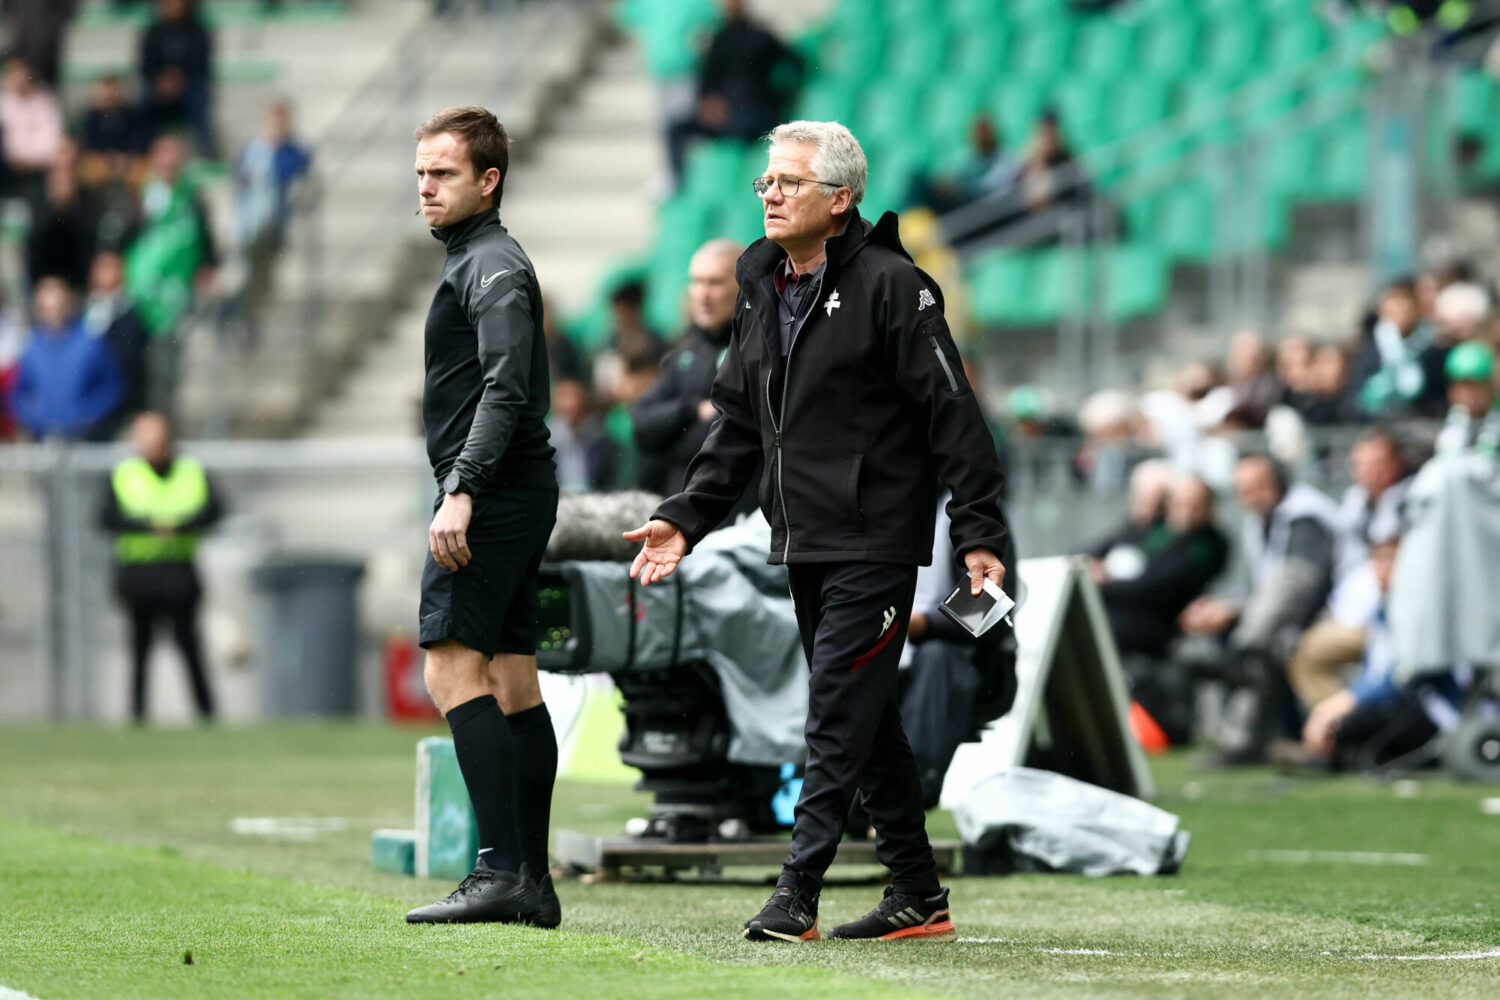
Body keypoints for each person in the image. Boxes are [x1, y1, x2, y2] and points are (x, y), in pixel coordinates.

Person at [625, 120, 1007, 942]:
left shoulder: (895, 287)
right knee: (866, 719)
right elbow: (735, 425)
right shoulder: (763, 283)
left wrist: (979, 534)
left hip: (876, 540)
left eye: (787, 182)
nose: (768, 192)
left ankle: (797, 892)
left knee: (833, 712)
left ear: (839, 201)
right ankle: (918, 892)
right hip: (800, 541)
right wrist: (682, 519)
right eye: (765, 180)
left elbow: (955, 417)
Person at [403, 106, 561, 929]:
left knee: (450, 670)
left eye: (444, 174)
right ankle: (530, 882)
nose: (426, 187)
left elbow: (507, 386)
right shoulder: (478, 258)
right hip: (515, 485)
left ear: (488, 180)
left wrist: (461, 486)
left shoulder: (492, 264)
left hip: (493, 489)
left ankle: (500, 870)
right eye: (422, 173)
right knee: (510, 679)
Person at [1181, 453, 1339, 763]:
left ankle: (1235, 661)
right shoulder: (1260, 521)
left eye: (1258, 486)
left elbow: (1300, 584)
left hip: (1333, 610)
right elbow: (1261, 588)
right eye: (1243, 490)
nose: (1251, 497)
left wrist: (1241, 621)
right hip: (1288, 618)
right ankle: (1241, 738)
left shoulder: (1305, 514)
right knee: (1256, 645)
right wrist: (1225, 609)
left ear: (1279, 482)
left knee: (1256, 647)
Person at [98, 411, 222, 722]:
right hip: (138, 572)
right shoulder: (124, 473)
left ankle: (207, 716)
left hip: (179, 570)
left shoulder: (190, 470)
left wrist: (177, 526)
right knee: (139, 651)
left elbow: (213, 510)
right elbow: (107, 517)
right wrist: (149, 526)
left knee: (190, 647)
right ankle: (138, 716)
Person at [632, 237, 762, 514]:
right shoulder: (684, 354)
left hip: (737, 518)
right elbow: (642, 425)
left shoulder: (759, 351)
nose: (703, 294)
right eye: (696, 282)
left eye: (714, 283)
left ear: (743, 286)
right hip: (681, 519)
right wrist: (692, 409)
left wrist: (668, 442)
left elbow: (725, 438)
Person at [664, 0, 804, 187]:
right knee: (676, 128)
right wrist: (708, 105)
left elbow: (797, 66)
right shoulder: (719, 39)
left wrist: (779, 101)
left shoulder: (762, 38)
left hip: (754, 115)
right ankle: (679, 186)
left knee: (742, 133)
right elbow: (706, 83)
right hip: (724, 116)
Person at [124, 133, 217, 412]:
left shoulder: (192, 199)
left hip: (176, 293)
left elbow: (205, 241)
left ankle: (164, 421)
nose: (168, 162)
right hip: (140, 291)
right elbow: (126, 239)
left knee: (168, 364)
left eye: (173, 155)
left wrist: (207, 270)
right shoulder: (140, 195)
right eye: (162, 155)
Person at [1096, 473, 1229, 662]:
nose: (1187, 510)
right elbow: (1100, 548)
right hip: (1120, 605)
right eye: (1181, 502)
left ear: (1208, 509)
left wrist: (1102, 584)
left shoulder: (1206, 544)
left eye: (1195, 504)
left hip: (1154, 624)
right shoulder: (1152, 527)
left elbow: (1153, 585)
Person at [233, 99, 312, 340]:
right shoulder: (253, 149)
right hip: (251, 220)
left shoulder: (291, 151)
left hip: (273, 223)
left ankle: (241, 314)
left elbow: (295, 171)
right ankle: (245, 316)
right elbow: (240, 178)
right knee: (259, 274)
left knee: (259, 271)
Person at [7, 277, 123, 441]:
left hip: (85, 440)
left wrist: (87, 415)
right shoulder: (31, 347)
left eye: (58, 306)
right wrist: (36, 418)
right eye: (45, 308)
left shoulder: (90, 342)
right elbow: (18, 394)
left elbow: (111, 387)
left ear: (68, 305)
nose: (52, 314)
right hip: (43, 441)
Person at [1351, 278, 1450, 419]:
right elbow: (1355, 401)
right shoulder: (1368, 352)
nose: (1401, 310)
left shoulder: (1435, 350)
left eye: (1406, 301)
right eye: (1393, 302)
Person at [82, 250, 150, 425]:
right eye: (99, 267)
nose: (103, 273)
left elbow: (126, 361)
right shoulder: (82, 311)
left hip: (119, 408)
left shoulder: (131, 317)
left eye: (109, 267)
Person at [139, 0, 215, 155]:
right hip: (159, 88)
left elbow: (202, 65)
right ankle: (143, 152)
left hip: (189, 87)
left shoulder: (197, 31)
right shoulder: (153, 32)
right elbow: (146, 66)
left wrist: (179, 80)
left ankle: (207, 153)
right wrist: (161, 81)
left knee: (199, 100)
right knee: (143, 102)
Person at [0, 57, 65, 197]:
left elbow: (53, 136)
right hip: (7, 163)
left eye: (20, 73)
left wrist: (31, 158)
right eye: (12, 74)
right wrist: (15, 157)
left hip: (41, 163)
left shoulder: (45, 100)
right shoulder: (4, 102)